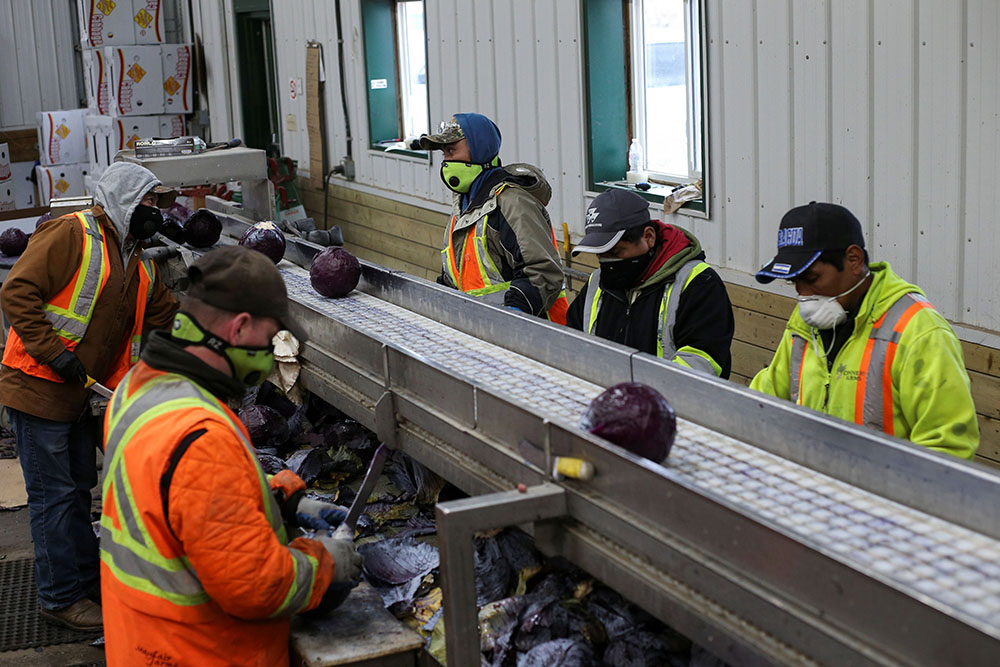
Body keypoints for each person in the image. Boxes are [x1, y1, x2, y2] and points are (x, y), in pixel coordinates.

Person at [100, 245, 362, 666]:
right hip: (201, 651)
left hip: (144, 639)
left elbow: (177, 502)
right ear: (240, 328)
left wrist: (285, 501)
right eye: (272, 335)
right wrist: (325, 566)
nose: (274, 349)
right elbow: (255, 586)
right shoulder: (201, 434)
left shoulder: (140, 387)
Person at [0, 162, 180, 631]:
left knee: (79, 494)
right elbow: (16, 292)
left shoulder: (138, 260)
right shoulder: (70, 235)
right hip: (38, 389)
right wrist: (54, 353)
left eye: (158, 204)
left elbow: (167, 317)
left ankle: (84, 584)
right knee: (54, 498)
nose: (155, 213)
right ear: (123, 201)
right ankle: (59, 599)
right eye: (147, 203)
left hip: (84, 396)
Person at [750, 201, 979, 459]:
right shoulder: (806, 323)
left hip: (883, 495)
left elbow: (948, 449)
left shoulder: (919, 332)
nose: (803, 296)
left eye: (812, 279)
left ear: (854, 260)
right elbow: (764, 400)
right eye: (794, 282)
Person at [566, 189, 734, 378]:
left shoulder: (699, 284)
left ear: (649, 237)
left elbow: (701, 363)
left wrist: (640, 394)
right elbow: (571, 340)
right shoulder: (597, 282)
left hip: (667, 403)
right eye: (600, 254)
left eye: (615, 252)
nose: (607, 263)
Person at [420, 113, 569, 322]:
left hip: (529, 336)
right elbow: (455, 277)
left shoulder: (512, 202)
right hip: (481, 333)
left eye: (452, 150)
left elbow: (542, 271)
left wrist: (514, 315)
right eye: (444, 153)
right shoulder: (462, 210)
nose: (446, 161)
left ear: (480, 150)